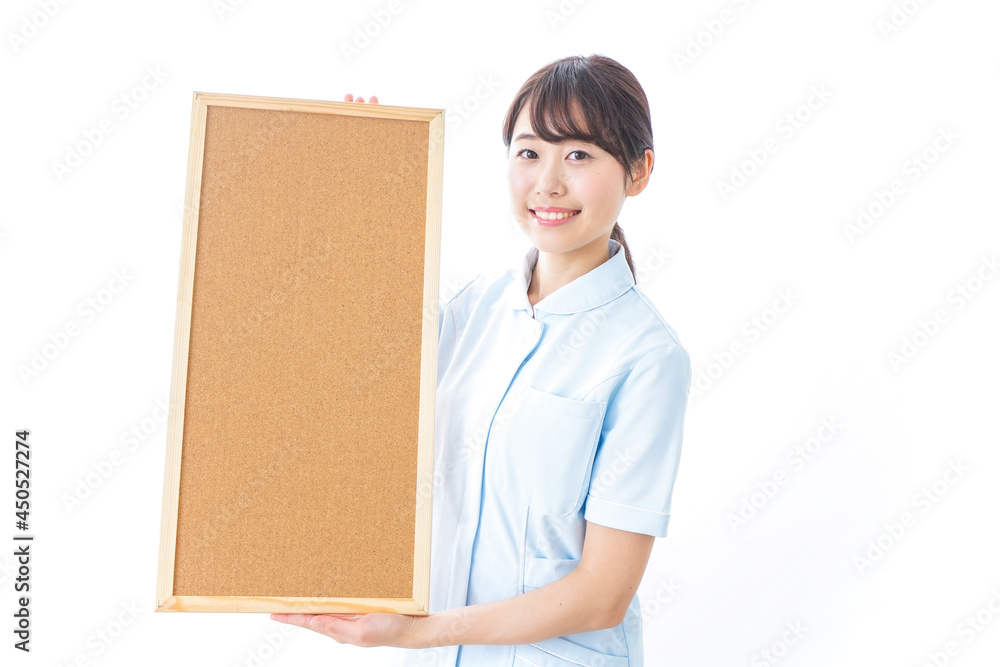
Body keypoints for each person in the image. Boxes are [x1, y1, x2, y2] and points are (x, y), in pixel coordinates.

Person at [272, 54, 692, 666]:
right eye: (529, 153)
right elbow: (337, 367)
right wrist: (357, 182)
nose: (548, 183)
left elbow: (602, 595)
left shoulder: (648, 357)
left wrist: (419, 632)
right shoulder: (471, 310)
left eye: (579, 154)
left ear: (639, 170)